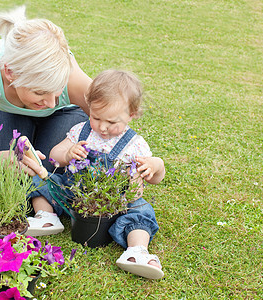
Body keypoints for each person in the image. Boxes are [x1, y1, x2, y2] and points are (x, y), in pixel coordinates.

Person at [28, 70, 165, 279]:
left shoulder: (135, 145)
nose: (102, 127)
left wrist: (155, 166)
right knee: (44, 179)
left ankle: (137, 251)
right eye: (95, 117)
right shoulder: (80, 131)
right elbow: (54, 155)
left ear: (132, 114)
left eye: (112, 122)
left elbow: (156, 178)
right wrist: (67, 153)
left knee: (141, 211)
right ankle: (47, 217)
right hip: (74, 194)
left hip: (117, 204)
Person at [0, 6, 90, 174]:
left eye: (58, 89)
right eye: (39, 92)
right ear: (10, 73)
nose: (52, 103)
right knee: (12, 176)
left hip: (65, 114)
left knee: (48, 171)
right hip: (10, 114)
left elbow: (114, 123)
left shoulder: (76, 81)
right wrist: (1, 159)